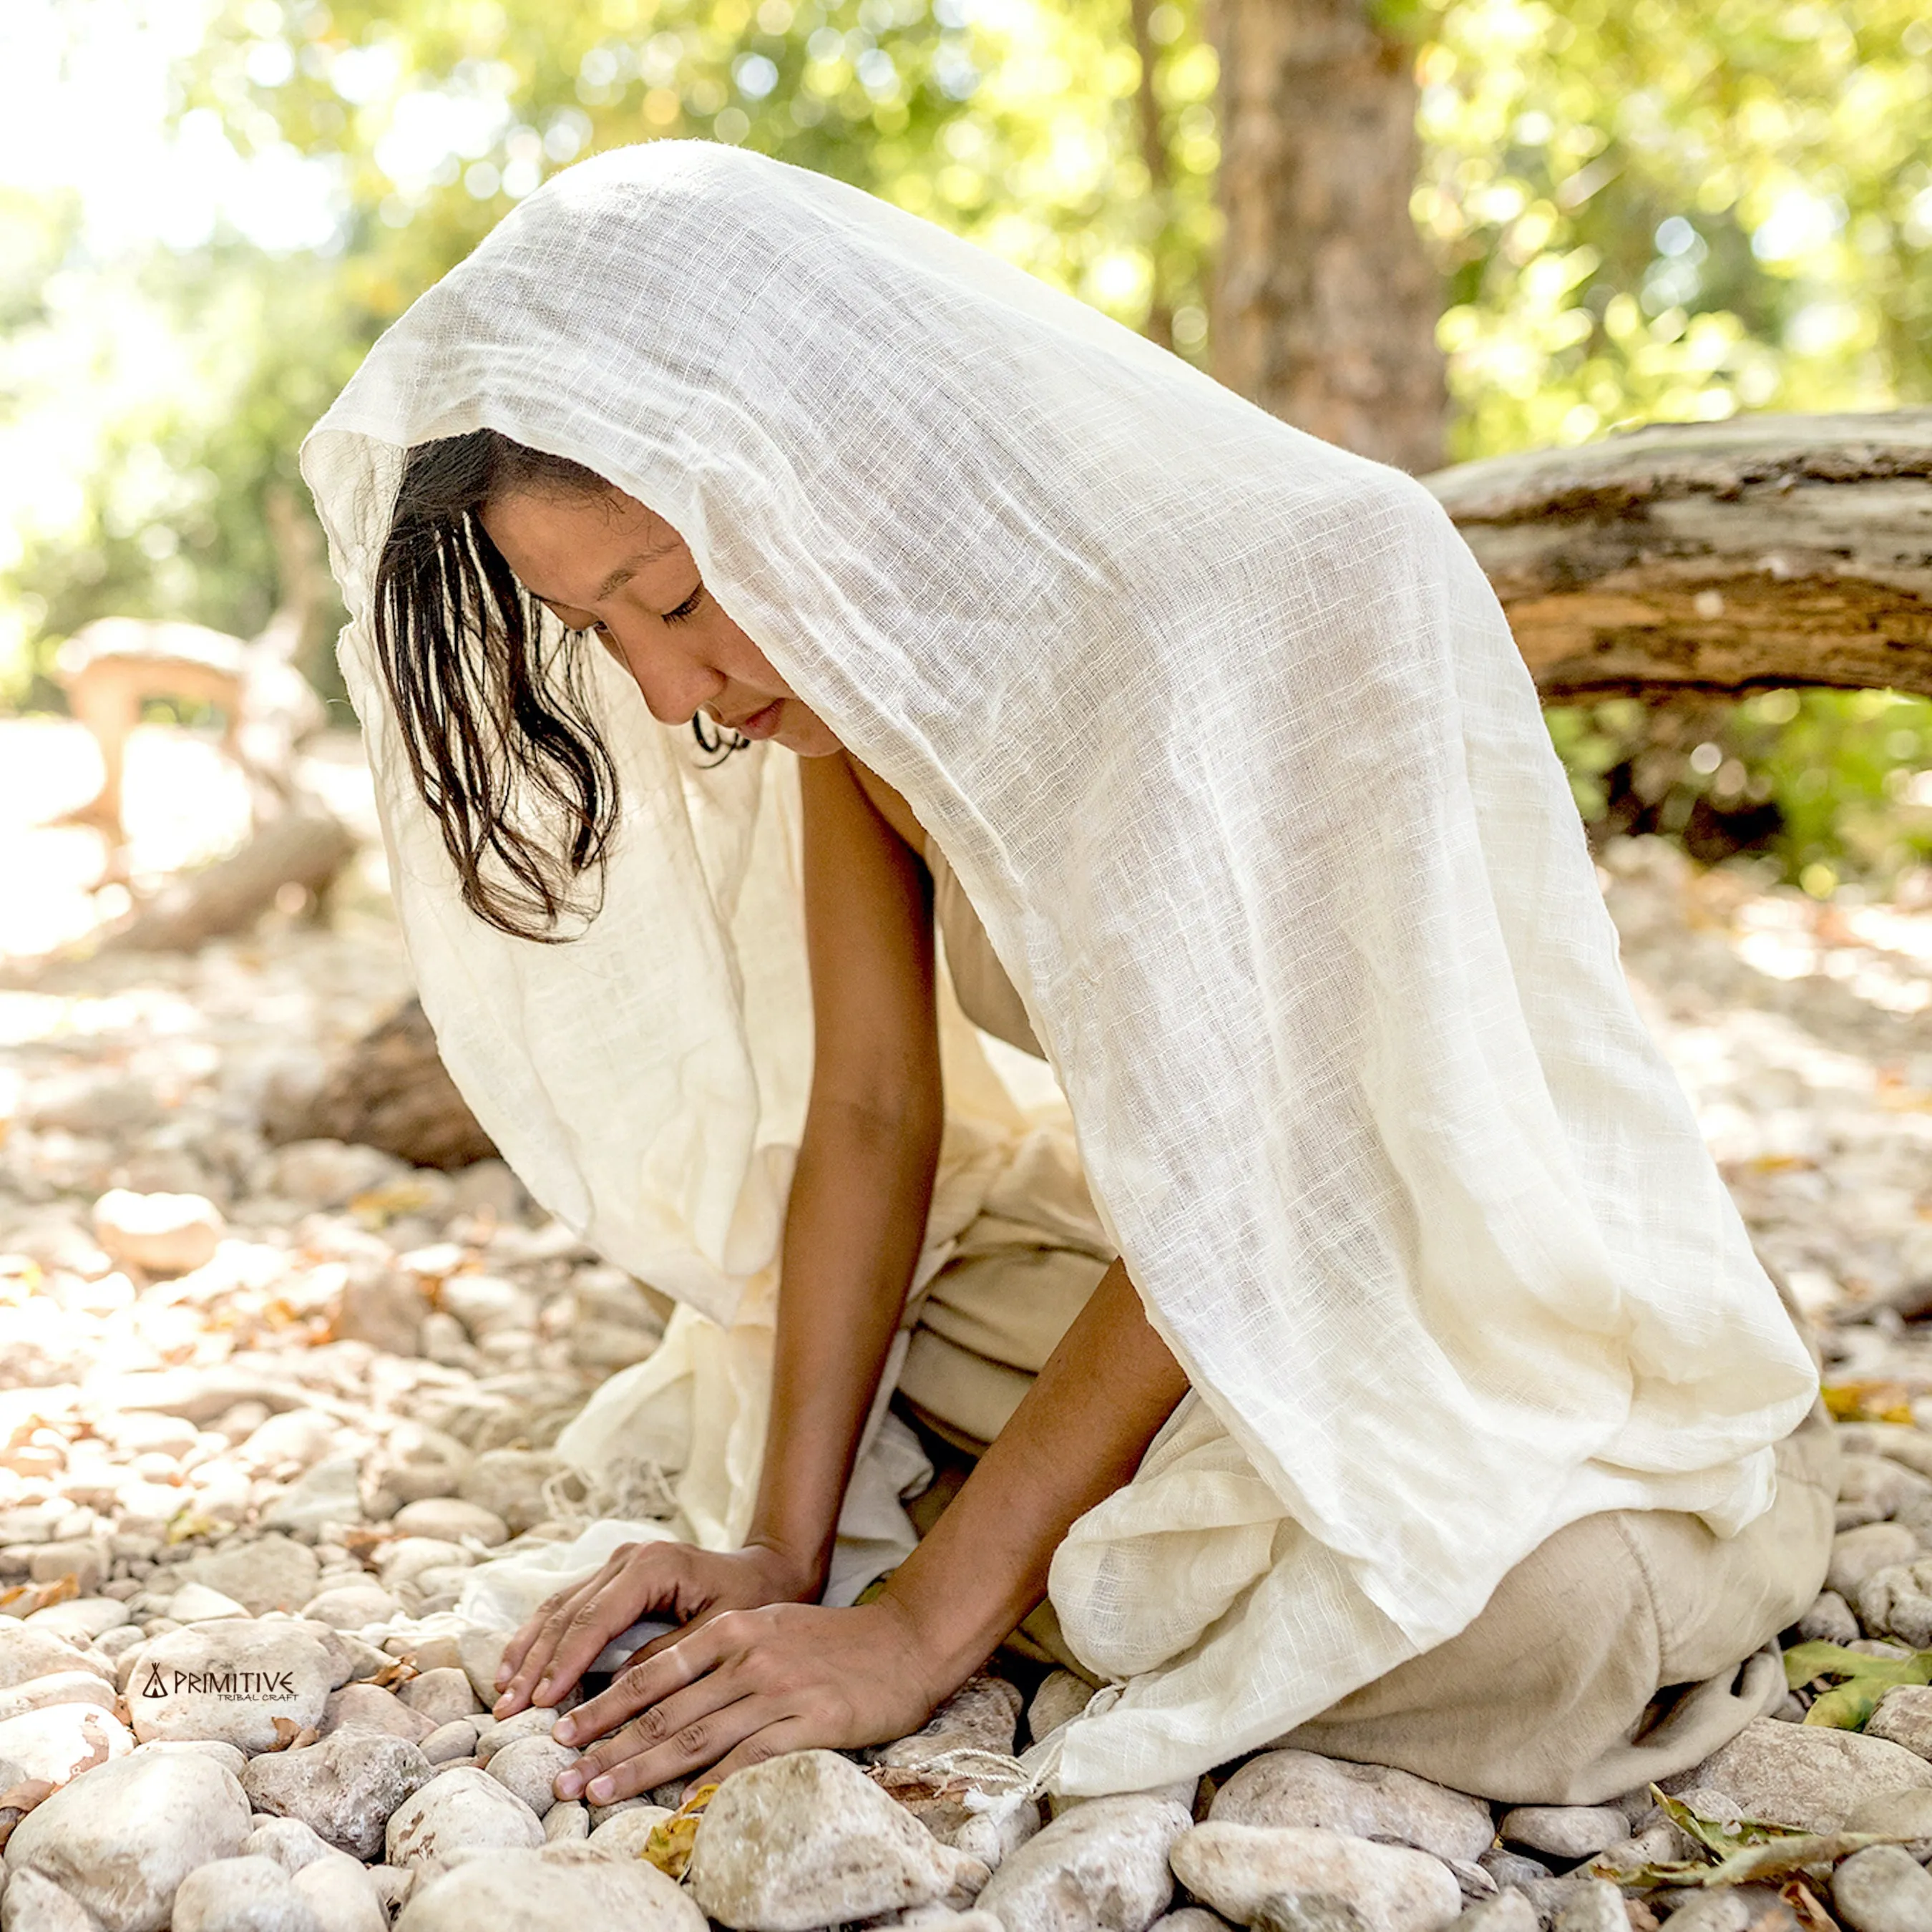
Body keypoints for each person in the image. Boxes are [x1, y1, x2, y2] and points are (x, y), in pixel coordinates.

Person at [303, 141, 1832, 1810]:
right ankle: (1083, 1542)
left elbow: (1280, 1166)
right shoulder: (863, 703)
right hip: (1178, 1262)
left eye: (672, 596)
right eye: (605, 635)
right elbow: (876, 1114)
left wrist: (916, 1627)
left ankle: (1057, 1555)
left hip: (1453, 1263)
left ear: (812, 470)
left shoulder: (1293, 584)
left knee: (1550, 1623)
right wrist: (782, 1556)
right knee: (904, 1328)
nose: (675, 694)